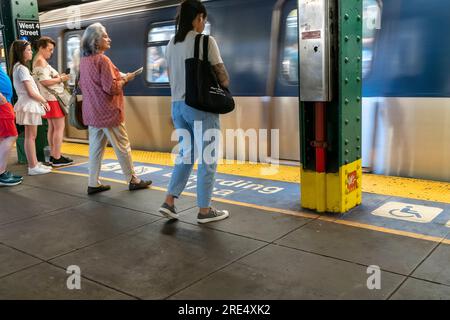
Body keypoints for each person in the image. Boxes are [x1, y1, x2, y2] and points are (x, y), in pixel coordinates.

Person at [159, 0, 230, 224]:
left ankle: (169, 202)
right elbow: (223, 77)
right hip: (200, 107)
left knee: (186, 154)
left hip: (177, 106)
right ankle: (204, 210)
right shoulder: (206, 42)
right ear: (198, 18)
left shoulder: (171, 44)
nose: (203, 25)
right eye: (203, 20)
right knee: (208, 158)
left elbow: (171, 76)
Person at [79, 23, 152, 194]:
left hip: (92, 112)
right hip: (108, 112)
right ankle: (133, 179)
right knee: (122, 146)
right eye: (105, 36)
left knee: (95, 149)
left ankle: (93, 183)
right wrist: (126, 79)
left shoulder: (84, 61)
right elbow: (111, 88)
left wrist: (118, 77)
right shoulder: (103, 60)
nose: (108, 38)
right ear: (96, 41)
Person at [9, 40, 52, 176]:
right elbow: (30, 91)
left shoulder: (18, 67)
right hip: (29, 104)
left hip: (27, 104)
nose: (31, 52)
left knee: (30, 136)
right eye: (28, 50)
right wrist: (44, 101)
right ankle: (33, 166)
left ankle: (33, 164)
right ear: (21, 52)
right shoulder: (21, 69)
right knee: (31, 137)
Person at [33, 36, 74, 167]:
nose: (51, 53)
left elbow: (48, 77)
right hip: (52, 98)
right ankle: (57, 157)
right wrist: (61, 79)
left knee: (52, 127)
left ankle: (53, 155)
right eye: (49, 50)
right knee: (59, 128)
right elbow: (44, 81)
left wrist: (58, 77)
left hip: (48, 98)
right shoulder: (40, 61)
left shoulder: (40, 61)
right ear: (41, 48)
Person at [0, 66, 23, 186]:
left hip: (4, 102)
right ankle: (0, 173)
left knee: (3, 137)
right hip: (2, 104)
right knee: (11, 135)